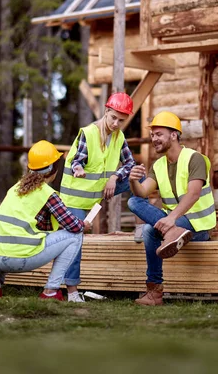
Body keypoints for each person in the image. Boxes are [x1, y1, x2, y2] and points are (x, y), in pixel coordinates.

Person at [0, 140, 91, 301]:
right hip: (15, 259)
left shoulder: (15, 188)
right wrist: (84, 225)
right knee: (75, 236)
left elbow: (29, 225)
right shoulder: (47, 193)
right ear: (53, 169)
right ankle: (51, 291)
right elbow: (74, 226)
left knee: (8, 237)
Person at [59, 92, 142, 301]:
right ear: (106, 112)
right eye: (113, 117)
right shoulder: (88, 133)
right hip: (76, 199)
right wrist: (78, 169)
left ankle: (141, 225)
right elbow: (77, 160)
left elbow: (130, 164)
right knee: (74, 242)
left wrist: (115, 176)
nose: (116, 123)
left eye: (121, 120)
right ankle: (72, 292)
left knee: (139, 176)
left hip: (100, 192)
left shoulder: (119, 137)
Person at [128, 111, 216, 306]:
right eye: (152, 135)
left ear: (174, 135)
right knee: (134, 202)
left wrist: (171, 218)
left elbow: (193, 194)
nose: (154, 139)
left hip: (198, 226)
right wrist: (133, 180)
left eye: (159, 134)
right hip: (175, 225)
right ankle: (155, 293)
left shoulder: (195, 159)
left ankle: (154, 292)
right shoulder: (158, 165)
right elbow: (142, 193)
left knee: (150, 231)